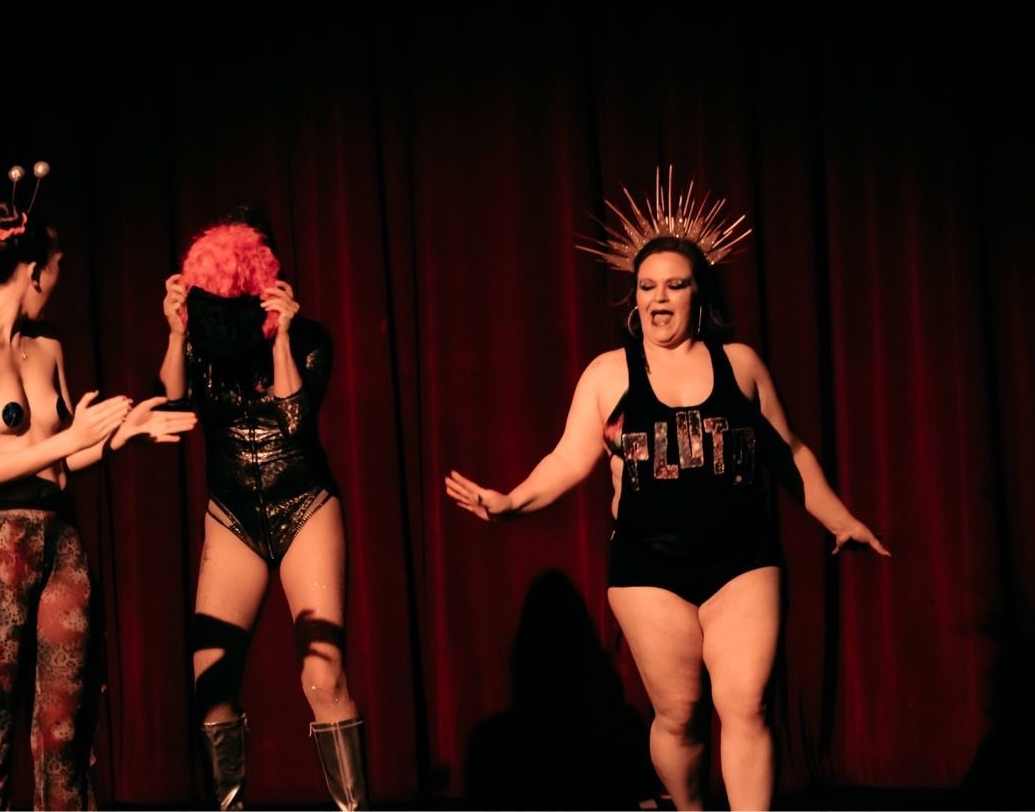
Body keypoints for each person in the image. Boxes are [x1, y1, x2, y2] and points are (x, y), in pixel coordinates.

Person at [445, 169, 890, 810]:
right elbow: (569, 459)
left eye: (674, 285)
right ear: (634, 297)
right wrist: (512, 500)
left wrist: (840, 518)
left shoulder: (740, 364)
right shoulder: (608, 374)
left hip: (743, 557)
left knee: (745, 703)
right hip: (648, 564)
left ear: (697, 294)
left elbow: (789, 453)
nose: (659, 298)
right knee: (680, 714)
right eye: (647, 286)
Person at [0, 164, 196, 809]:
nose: (58, 279)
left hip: (59, 544)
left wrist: (118, 434)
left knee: (65, 734)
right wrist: (71, 440)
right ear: (34, 269)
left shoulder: (45, 348)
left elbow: (58, 459)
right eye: (56, 265)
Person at [159, 206, 368, 811]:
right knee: (212, 682)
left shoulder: (311, 340)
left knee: (323, 677)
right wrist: (176, 331)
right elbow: (171, 408)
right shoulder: (202, 344)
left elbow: (296, 421)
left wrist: (279, 335)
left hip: (304, 503)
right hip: (233, 517)